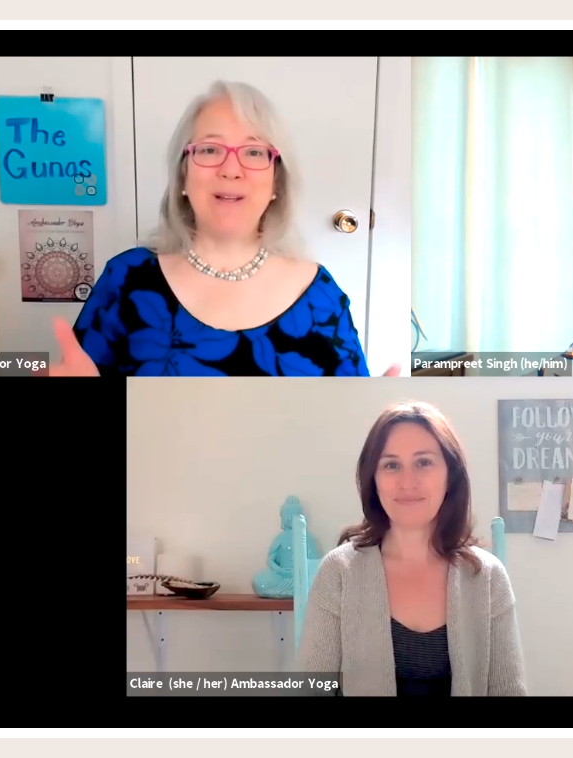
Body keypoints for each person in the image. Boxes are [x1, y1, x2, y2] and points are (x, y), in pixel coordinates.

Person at [49, 80, 398, 377]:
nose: (231, 169)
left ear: (277, 181)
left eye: (254, 152)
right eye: (211, 149)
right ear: (183, 175)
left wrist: (371, 423)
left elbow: (343, 429)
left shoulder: (320, 296)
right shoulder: (126, 280)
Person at [296, 401, 527, 696]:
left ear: (450, 475)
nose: (408, 482)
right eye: (391, 465)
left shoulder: (488, 576)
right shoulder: (339, 572)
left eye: (424, 462)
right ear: (373, 479)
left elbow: (509, 692)